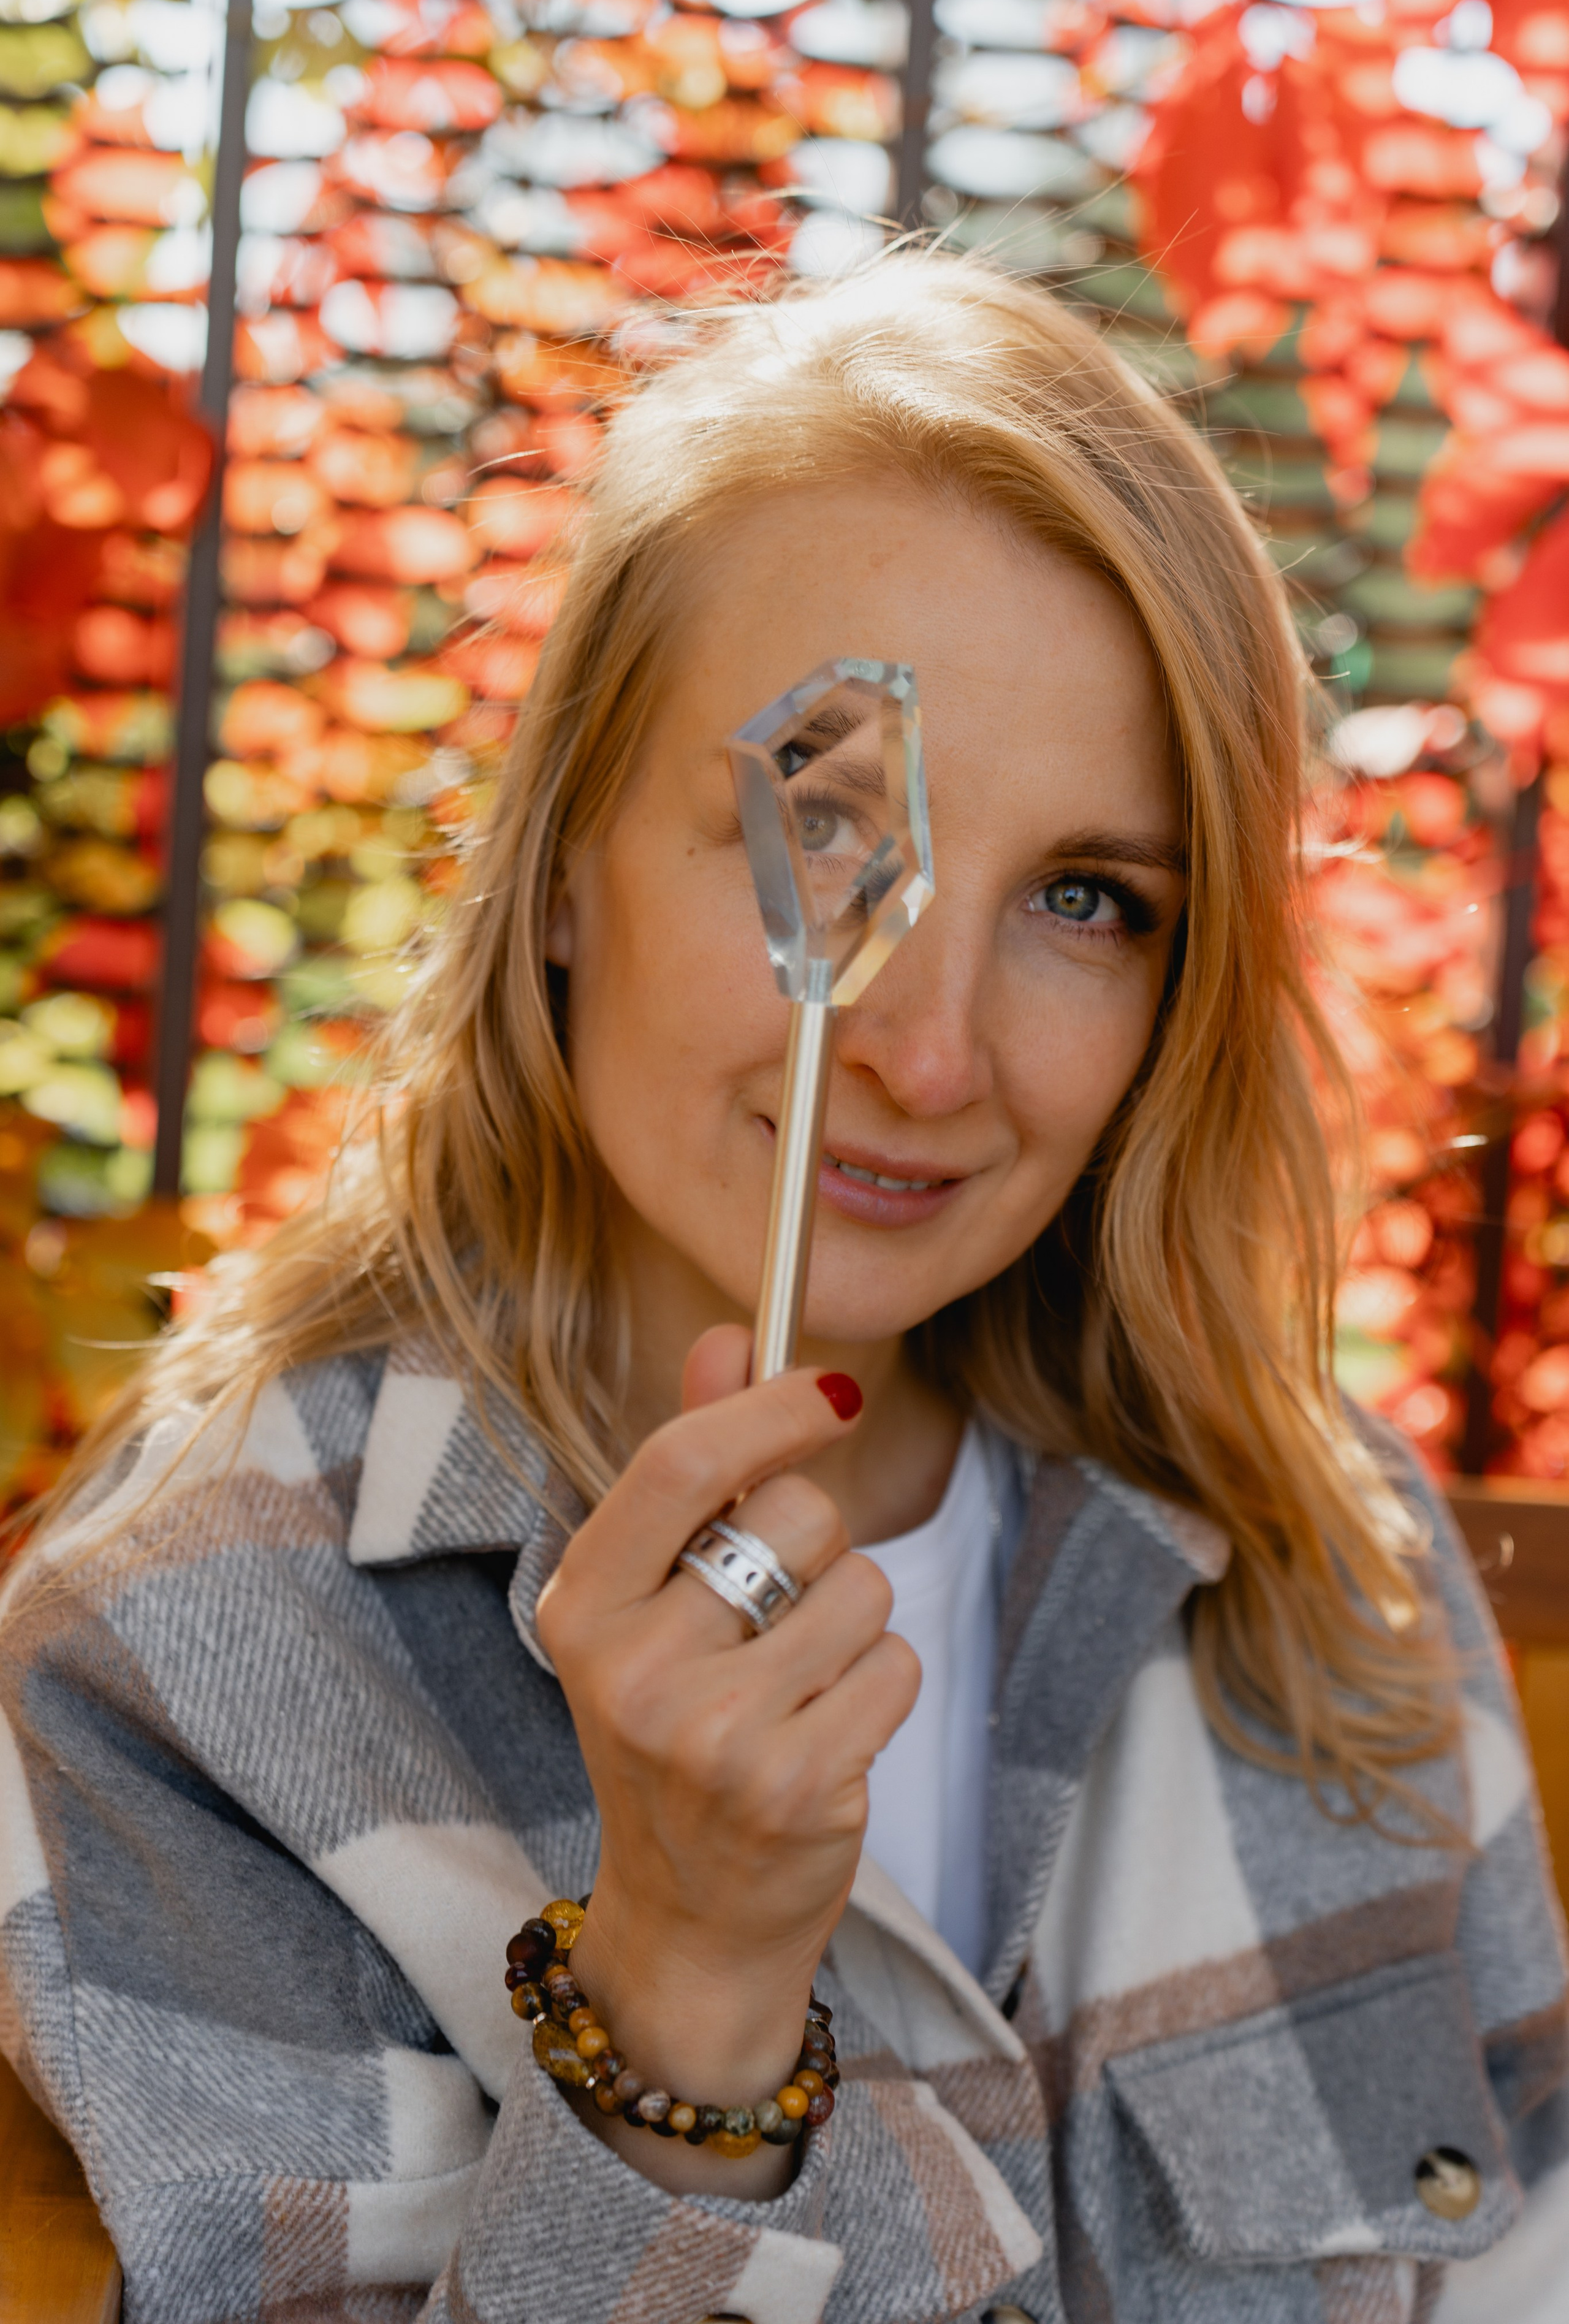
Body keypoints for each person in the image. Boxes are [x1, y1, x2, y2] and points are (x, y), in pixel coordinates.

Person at [1, 254, 1564, 2324]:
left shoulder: (1329, 1569)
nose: (927, 1049)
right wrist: (685, 1999)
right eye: (816, 827)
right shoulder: (190, 1650)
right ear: (559, 861)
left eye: (1086, 900)